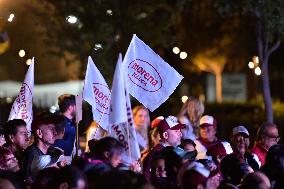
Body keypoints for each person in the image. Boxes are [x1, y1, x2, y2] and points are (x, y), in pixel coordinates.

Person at [142, 116, 184, 181]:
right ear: (165, 135)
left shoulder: (177, 149)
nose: (180, 134)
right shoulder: (156, 153)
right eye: (176, 131)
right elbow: (148, 179)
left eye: (180, 131)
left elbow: (190, 159)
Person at [22, 112, 57, 184]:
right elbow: (29, 182)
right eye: (51, 129)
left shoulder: (54, 151)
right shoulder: (31, 154)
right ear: (39, 133)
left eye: (55, 129)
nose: (55, 133)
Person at [53, 94, 76, 161]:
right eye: (77, 106)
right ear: (70, 107)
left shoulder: (72, 123)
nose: (80, 109)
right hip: (60, 160)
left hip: (68, 159)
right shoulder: (59, 123)